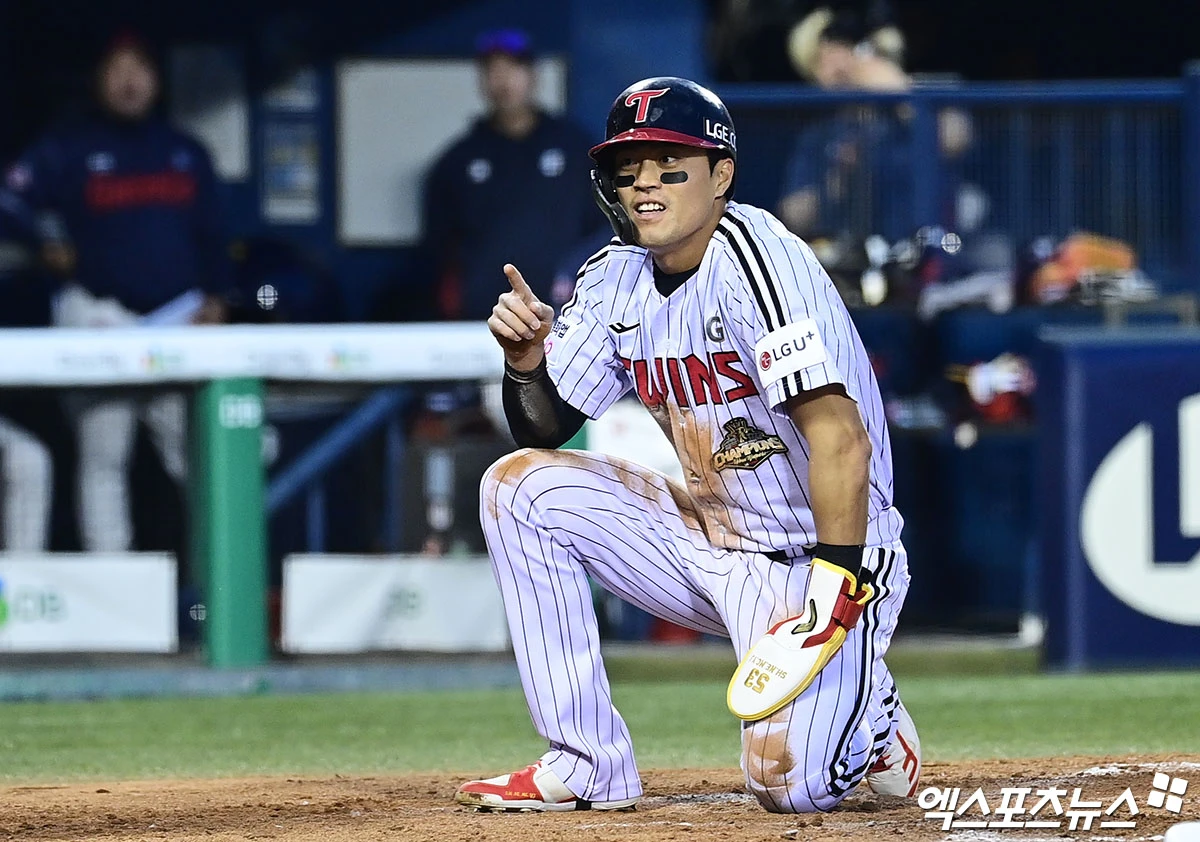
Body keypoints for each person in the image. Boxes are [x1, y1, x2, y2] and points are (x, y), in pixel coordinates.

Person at [454, 77, 920, 814]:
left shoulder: (759, 259)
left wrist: (835, 593)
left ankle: (875, 717)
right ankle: (585, 763)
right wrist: (525, 364)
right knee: (517, 487)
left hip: (827, 557)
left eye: (670, 165)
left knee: (790, 787)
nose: (645, 183)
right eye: (629, 168)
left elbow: (841, 437)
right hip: (713, 543)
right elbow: (545, 425)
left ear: (720, 175)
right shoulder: (615, 277)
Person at [4, 31, 231, 552]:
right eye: (117, 70)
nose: (129, 82)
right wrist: (44, 242)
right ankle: (117, 600)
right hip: (103, 318)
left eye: (139, 70)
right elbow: (9, 201)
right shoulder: (70, 147)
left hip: (177, 322)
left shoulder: (183, 151)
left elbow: (215, 235)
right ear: (99, 80)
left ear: (156, 79)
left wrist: (219, 296)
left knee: (196, 458)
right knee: (105, 459)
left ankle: (211, 590)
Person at [420, 28, 606, 320]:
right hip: (483, 317)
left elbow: (604, 232)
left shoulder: (577, 150)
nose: (503, 80)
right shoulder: (457, 161)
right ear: (481, 80)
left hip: (568, 315)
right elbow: (438, 252)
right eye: (492, 70)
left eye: (513, 68)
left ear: (533, 75)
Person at [778, 4, 974, 242]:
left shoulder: (909, 108)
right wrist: (835, 182)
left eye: (844, 48)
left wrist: (900, 92)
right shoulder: (820, 134)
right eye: (821, 60)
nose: (836, 67)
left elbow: (956, 138)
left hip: (924, 254)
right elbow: (793, 215)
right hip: (853, 261)